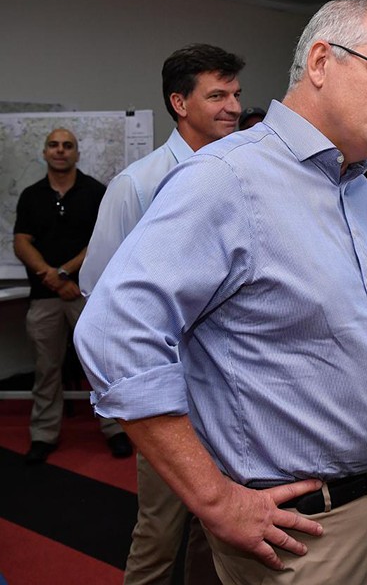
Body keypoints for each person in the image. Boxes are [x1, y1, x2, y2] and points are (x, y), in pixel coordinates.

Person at [74, 0, 367, 584]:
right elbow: (114, 334)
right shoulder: (225, 179)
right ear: (320, 62)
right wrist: (213, 500)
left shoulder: (356, 184)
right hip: (303, 532)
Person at [80, 42, 244, 585]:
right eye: (217, 95)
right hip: (169, 398)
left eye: (236, 94)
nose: (232, 107)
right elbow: (99, 292)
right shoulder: (138, 184)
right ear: (180, 102)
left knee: (215, 535)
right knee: (159, 534)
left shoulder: (241, 177)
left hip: (230, 393)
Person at [13, 128, 132, 465]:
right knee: (46, 368)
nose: (61, 151)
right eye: (54, 145)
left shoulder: (95, 192)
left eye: (68, 146)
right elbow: (22, 241)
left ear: (77, 153)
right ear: (45, 152)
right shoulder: (31, 195)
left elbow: (101, 242)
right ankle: (43, 434)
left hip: (89, 295)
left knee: (101, 366)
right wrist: (51, 276)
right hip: (45, 296)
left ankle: (115, 429)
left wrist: (65, 273)